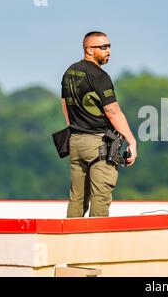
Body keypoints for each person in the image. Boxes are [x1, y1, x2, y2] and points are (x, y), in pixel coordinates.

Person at [61, 31, 138, 218]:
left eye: (109, 46)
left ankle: (71, 244)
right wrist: (131, 141)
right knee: (100, 198)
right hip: (97, 144)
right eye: (103, 47)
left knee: (77, 199)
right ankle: (95, 244)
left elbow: (65, 105)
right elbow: (113, 112)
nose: (108, 51)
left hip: (76, 142)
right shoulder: (99, 76)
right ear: (89, 49)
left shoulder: (70, 72)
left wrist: (76, 128)